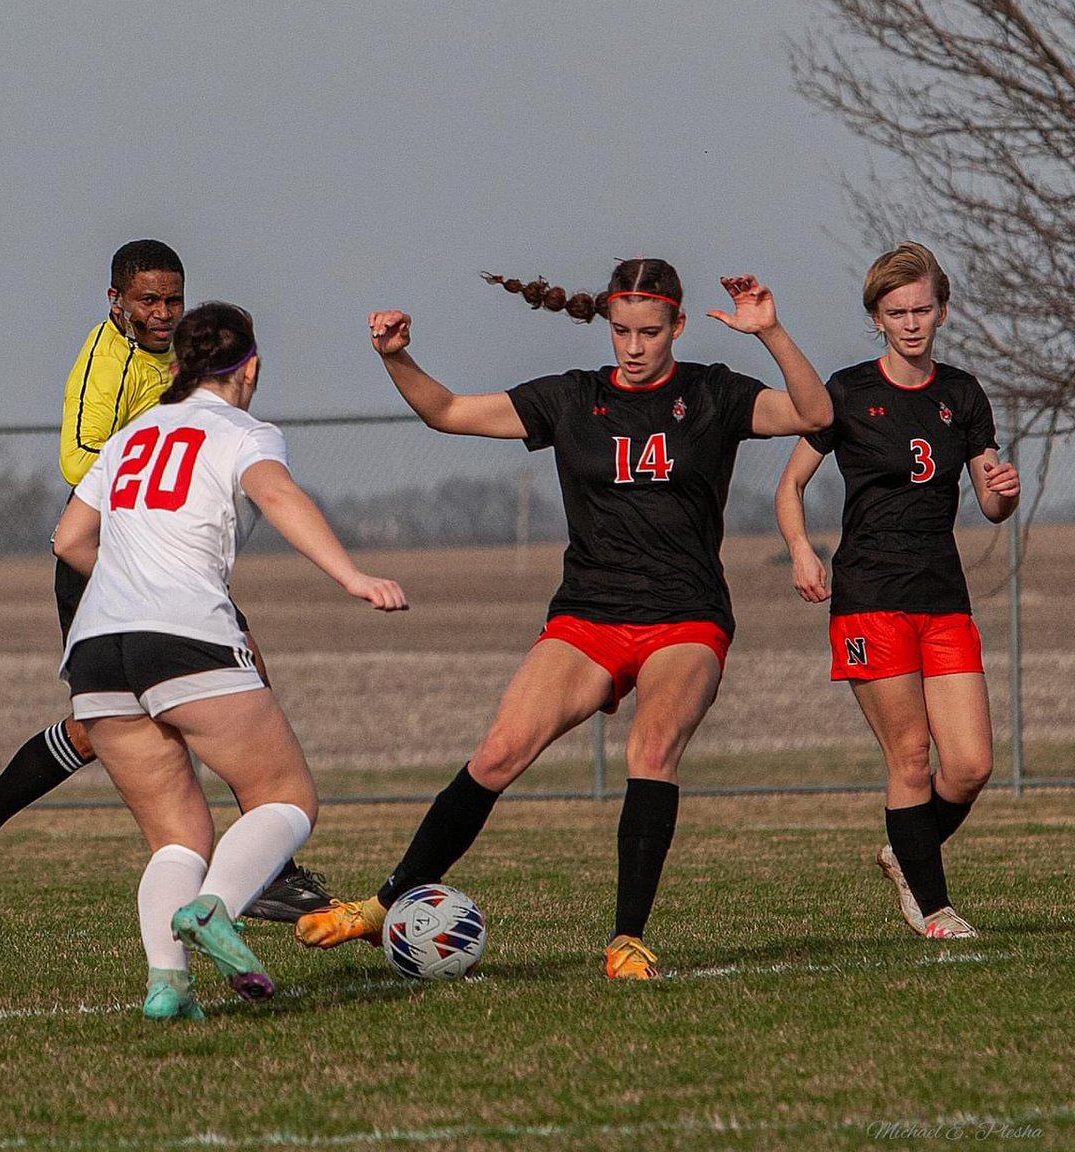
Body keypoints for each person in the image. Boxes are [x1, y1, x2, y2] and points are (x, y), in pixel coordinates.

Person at [295, 257, 832, 979]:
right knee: (498, 753)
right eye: (621, 331)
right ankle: (381, 904)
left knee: (651, 753)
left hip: (685, 616)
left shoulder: (713, 393)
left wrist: (770, 332)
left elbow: (813, 415)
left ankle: (627, 940)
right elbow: (446, 412)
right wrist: (397, 358)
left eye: (649, 333)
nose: (634, 347)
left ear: (677, 325)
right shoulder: (573, 398)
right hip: (587, 614)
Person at [52, 301, 408, 1019]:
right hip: (182, 634)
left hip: (93, 649)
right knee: (286, 798)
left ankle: (167, 987)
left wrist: (128, 581)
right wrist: (352, 576)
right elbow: (277, 494)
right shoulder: (245, 431)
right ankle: (214, 909)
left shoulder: (127, 437)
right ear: (251, 368)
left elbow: (69, 541)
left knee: (176, 837)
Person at [0, 240, 332, 922]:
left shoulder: (177, 355)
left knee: (235, 680)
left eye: (172, 300)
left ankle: (267, 870)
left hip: (163, 556)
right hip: (109, 551)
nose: (162, 312)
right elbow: (77, 459)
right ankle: (264, 867)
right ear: (115, 301)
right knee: (102, 727)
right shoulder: (108, 364)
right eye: (147, 300)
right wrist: (151, 459)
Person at [774, 241, 1020, 939]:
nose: (910, 323)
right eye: (896, 312)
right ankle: (934, 908)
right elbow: (789, 486)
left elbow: (990, 501)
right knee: (910, 757)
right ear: (877, 318)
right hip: (869, 597)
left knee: (970, 765)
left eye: (921, 309)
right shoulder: (847, 393)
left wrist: (1004, 492)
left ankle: (904, 853)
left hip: (942, 597)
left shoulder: (961, 395)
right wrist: (801, 550)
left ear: (942, 311)